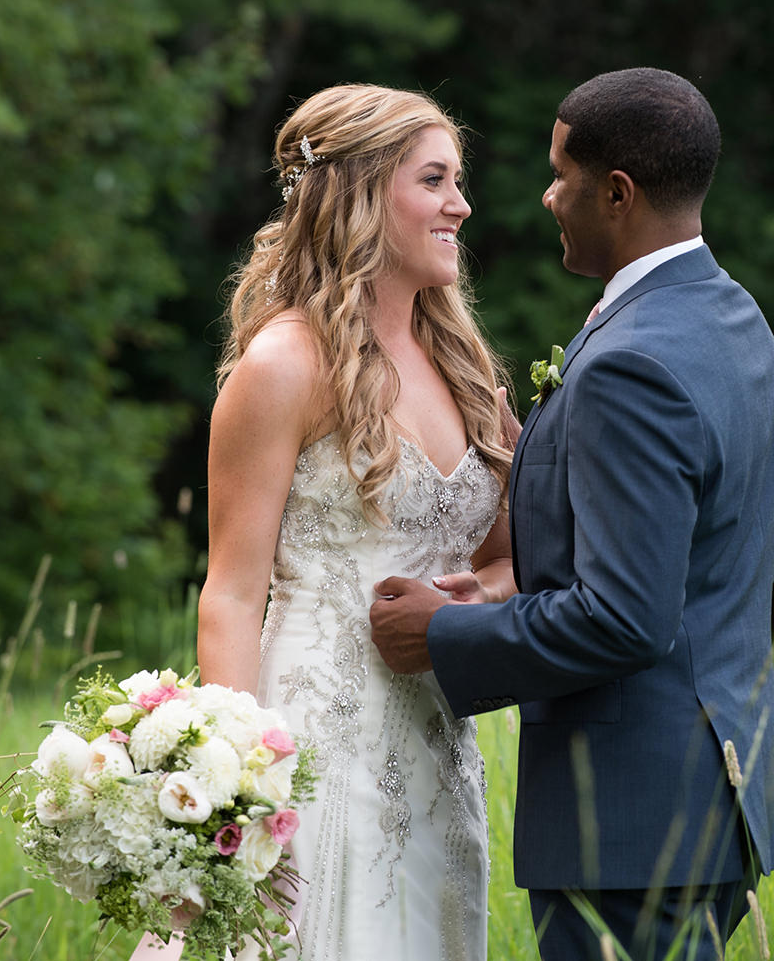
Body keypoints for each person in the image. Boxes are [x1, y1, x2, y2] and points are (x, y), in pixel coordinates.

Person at [370, 68, 774, 961]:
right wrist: (539, 458)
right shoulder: (728, 318)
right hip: (706, 797)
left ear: (618, 193)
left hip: (632, 825)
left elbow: (626, 618)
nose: (545, 195)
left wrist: (444, 633)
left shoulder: (628, 364)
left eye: (562, 174)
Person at [135, 84, 516, 961]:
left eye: (458, 180)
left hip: (435, 745)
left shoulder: (465, 369)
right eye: (435, 180)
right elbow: (230, 594)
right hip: (309, 739)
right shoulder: (281, 365)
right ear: (362, 192)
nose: (461, 204)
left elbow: (507, 562)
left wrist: (470, 599)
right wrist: (244, 790)